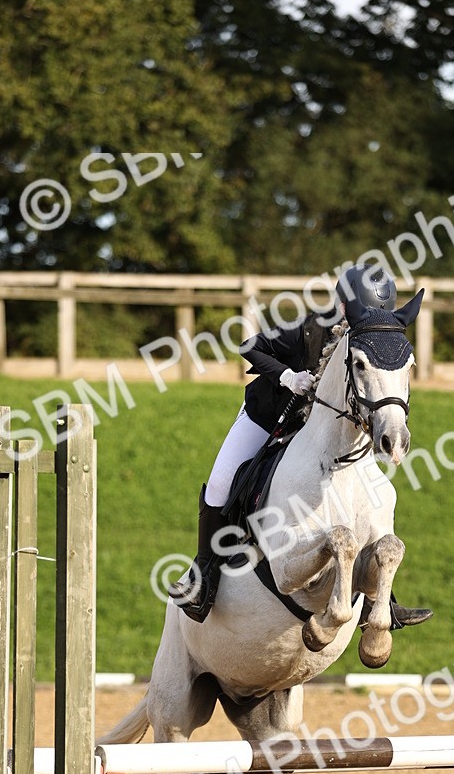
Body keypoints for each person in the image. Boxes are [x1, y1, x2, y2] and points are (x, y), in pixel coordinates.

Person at [169, 264, 433, 630]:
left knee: (376, 494)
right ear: (343, 307)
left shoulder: (376, 340)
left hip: (325, 434)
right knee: (220, 482)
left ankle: (383, 597)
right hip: (269, 416)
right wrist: (287, 376)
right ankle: (203, 576)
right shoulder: (309, 329)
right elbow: (250, 346)